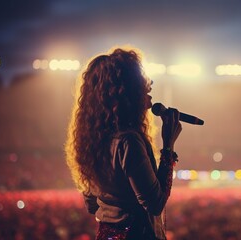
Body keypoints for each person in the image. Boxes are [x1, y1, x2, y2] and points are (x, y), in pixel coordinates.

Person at [65, 47, 182, 240]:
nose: (150, 85)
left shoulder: (93, 140)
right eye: (142, 81)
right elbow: (155, 204)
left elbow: (92, 205)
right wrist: (168, 146)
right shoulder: (129, 141)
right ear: (128, 90)